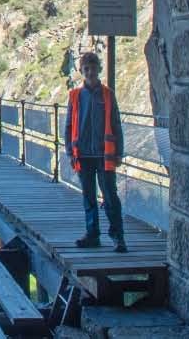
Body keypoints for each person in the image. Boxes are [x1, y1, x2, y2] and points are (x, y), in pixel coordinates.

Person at [64, 51, 127, 253]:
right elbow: (68, 126)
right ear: (82, 71)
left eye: (93, 68)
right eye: (86, 69)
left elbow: (116, 124)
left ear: (99, 69)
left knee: (110, 196)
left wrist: (119, 152)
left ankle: (118, 237)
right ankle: (93, 235)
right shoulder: (74, 96)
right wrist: (69, 152)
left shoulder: (108, 94)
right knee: (89, 197)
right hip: (82, 155)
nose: (90, 72)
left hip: (104, 155)